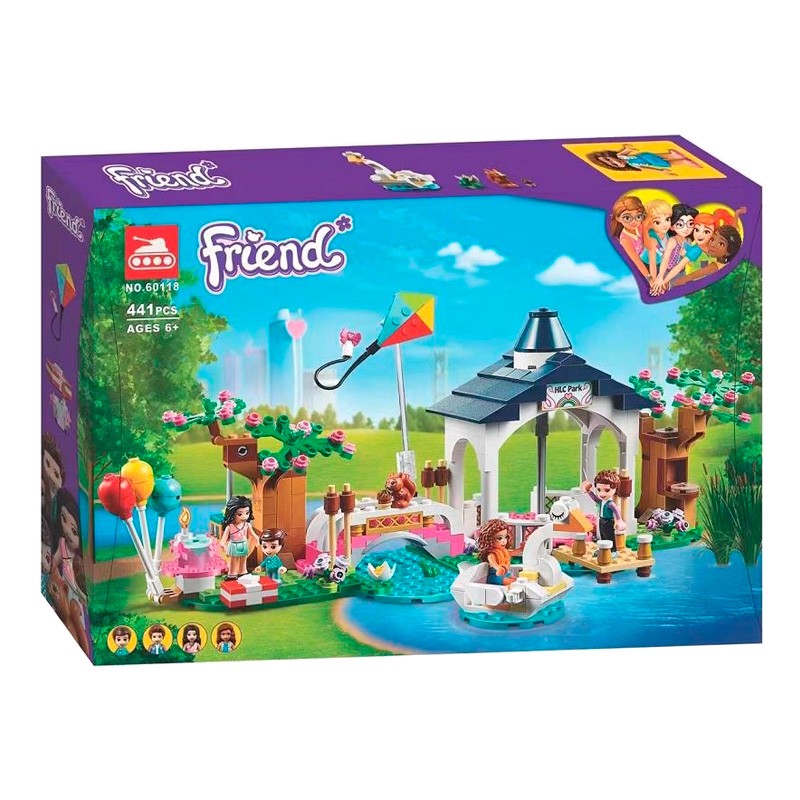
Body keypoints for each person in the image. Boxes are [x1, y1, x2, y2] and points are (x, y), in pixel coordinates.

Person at [581, 470, 627, 550]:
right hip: (601, 521)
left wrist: (619, 520)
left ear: (615, 489)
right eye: (599, 490)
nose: (602, 494)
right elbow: (595, 499)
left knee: (610, 536)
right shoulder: (601, 501)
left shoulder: (610, 504)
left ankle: (612, 551)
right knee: (603, 535)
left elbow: (616, 511)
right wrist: (588, 491)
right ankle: (603, 549)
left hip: (609, 522)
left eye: (607, 490)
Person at [218, 496, 259, 580]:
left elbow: (253, 535)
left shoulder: (247, 525)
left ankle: (243, 572)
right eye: (240, 514)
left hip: (243, 544)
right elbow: (223, 540)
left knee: (243, 559)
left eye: (247, 513)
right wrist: (223, 545)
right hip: (234, 545)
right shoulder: (230, 527)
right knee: (233, 560)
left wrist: (258, 540)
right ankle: (232, 573)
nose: (244, 517)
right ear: (232, 513)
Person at [610, 195, 648, 279]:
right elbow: (636, 260)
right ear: (618, 218)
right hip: (636, 268)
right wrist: (649, 278)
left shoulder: (641, 226)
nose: (634, 221)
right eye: (627, 218)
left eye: (638, 216)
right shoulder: (625, 239)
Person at [476, 518, 522, 586]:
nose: (504, 541)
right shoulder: (492, 554)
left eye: (506, 537)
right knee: (512, 583)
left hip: (506, 573)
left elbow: (513, 553)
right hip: (496, 576)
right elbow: (493, 564)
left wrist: (521, 549)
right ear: (490, 540)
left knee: (517, 580)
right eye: (499, 538)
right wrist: (498, 568)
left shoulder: (504, 551)